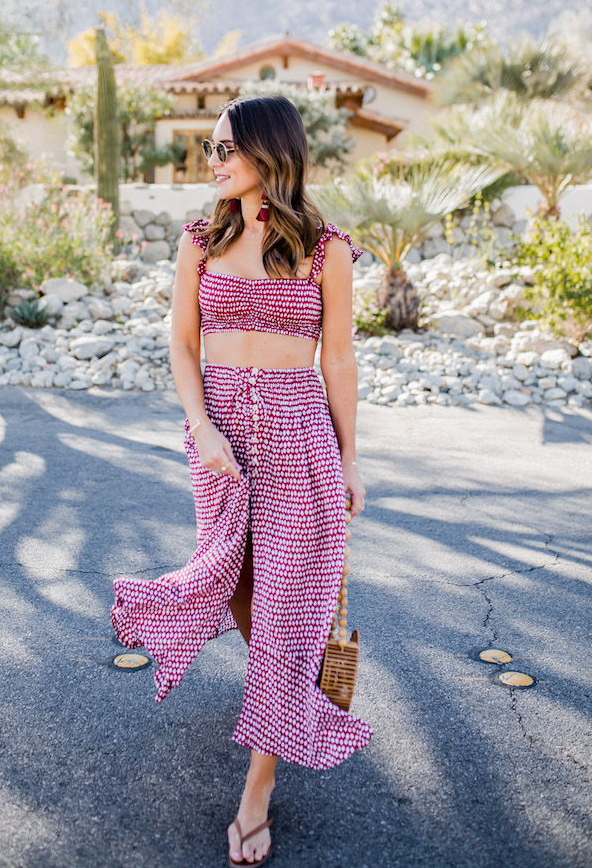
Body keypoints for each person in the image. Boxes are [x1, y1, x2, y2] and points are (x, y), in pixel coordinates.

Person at [111, 95, 372, 867]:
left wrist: (352, 458)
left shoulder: (325, 248)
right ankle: (285, 691)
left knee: (293, 599)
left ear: (269, 152)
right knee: (238, 582)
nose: (212, 160)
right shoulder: (200, 240)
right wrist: (201, 427)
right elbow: (184, 346)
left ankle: (258, 784)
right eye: (209, 147)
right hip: (218, 436)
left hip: (300, 436)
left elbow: (340, 360)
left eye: (226, 147)